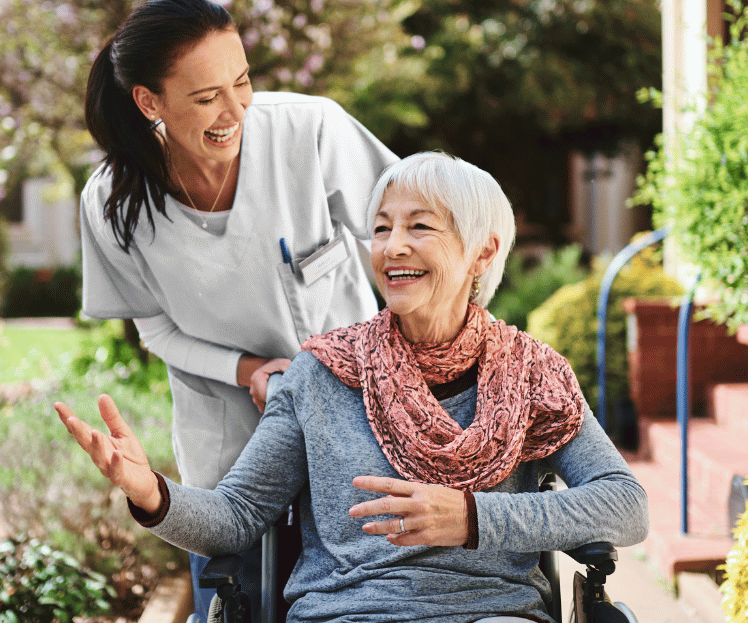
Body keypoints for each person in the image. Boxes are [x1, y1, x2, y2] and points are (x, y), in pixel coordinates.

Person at [58, 152, 649, 623]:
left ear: (482, 252)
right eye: (381, 228)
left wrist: (474, 517)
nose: (392, 247)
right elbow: (237, 518)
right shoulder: (322, 374)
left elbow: (626, 506)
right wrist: (151, 492)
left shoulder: (533, 375)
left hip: (489, 614)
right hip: (347, 614)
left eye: (420, 227)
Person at [81, 0, 397, 613]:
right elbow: (155, 329)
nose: (235, 111)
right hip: (228, 456)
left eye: (243, 81)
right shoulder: (112, 203)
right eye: (206, 97)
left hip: (356, 434)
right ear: (150, 103)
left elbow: (418, 235)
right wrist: (246, 370)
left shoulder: (311, 131)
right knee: (236, 605)